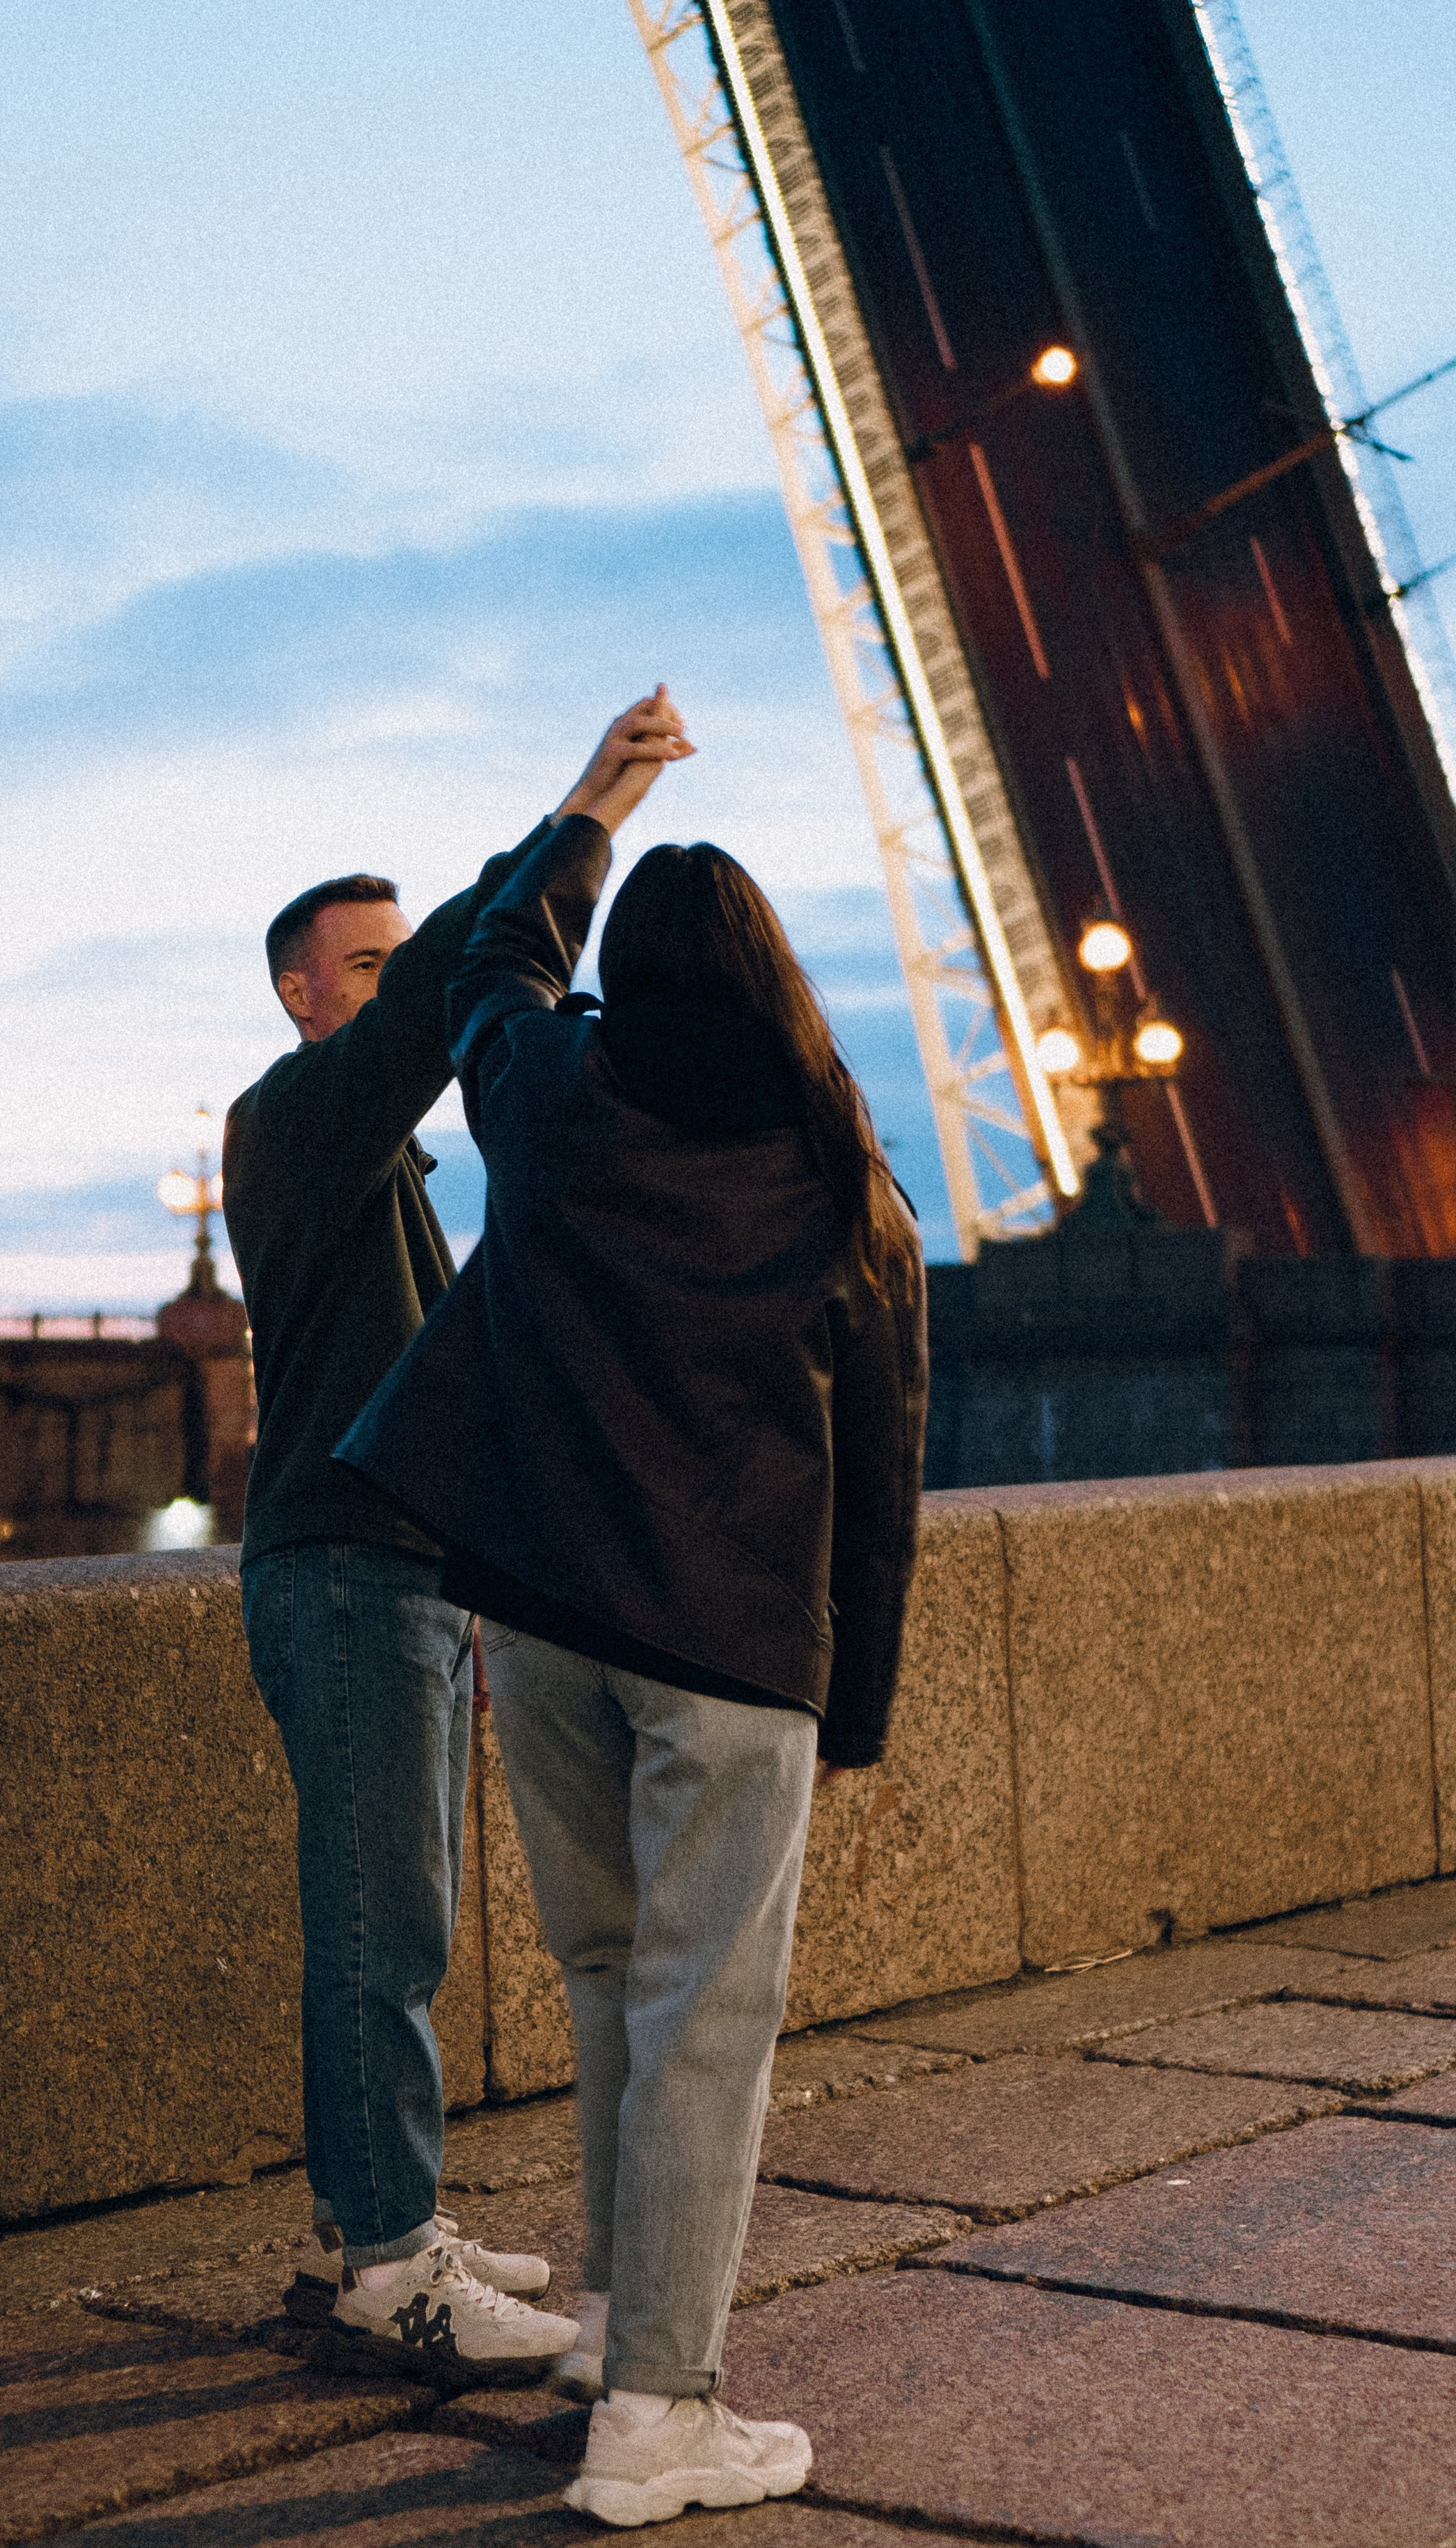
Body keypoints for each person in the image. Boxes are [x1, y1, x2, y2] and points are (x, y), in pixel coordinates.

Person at [337, 744, 928, 2520]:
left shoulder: (551, 1097)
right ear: (776, 982)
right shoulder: (839, 1176)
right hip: (733, 1649)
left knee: (608, 1985)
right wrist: (859, 1704)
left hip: (543, 1623)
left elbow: (492, 961)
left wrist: (592, 819)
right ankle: (658, 2414)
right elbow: (882, 1468)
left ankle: (609, 2324)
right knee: (702, 2022)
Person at [223, 689, 691, 2392]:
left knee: (394, 1914)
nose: (395, 981)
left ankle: (391, 2209)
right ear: (304, 993)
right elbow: (441, 1000)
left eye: (391, 962)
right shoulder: (297, 1124)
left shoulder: (391, 1178)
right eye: (366, 966)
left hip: (395, 1577)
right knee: (378, 1925)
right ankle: (386, 2265)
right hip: (341, 1572)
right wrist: (582, 813)